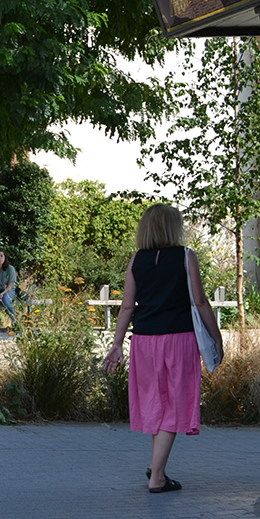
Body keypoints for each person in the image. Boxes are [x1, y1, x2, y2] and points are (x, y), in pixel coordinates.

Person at [102, 204, 224, 494]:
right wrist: (216, 337)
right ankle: (157, 477)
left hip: (144, 341)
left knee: (157, 401)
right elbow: (201, 302)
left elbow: (127, 307)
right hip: (178, 339)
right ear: (173, 227)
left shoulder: (137, 260)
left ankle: (157, 465)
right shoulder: (185, 256)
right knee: (173, 403)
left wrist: (117, 344)